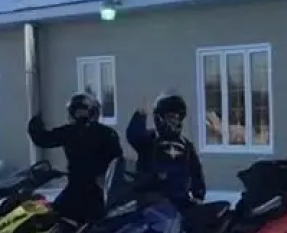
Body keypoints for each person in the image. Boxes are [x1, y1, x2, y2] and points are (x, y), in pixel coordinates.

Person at [26, 92, 123, 225]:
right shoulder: (70, 132)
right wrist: (35, 123)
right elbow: (44, 139)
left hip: (98, 190)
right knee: (56, 216)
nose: (81, 115)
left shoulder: (107, 134)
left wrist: (110, 182)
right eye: (77, 112)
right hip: (75, 187)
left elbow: (117, 160)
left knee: (99, 225)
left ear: (93, 112)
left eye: (84, 112)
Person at [124, 92, 206, 205]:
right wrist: (140, 115)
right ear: (159, 118)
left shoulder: (186, 145)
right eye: (170, 117)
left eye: (177, 118)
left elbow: (196, 170)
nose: (174, 121)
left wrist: (198, 194)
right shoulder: (150, 140)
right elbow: (134, 135)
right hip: (153, 202)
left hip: (180, 201)